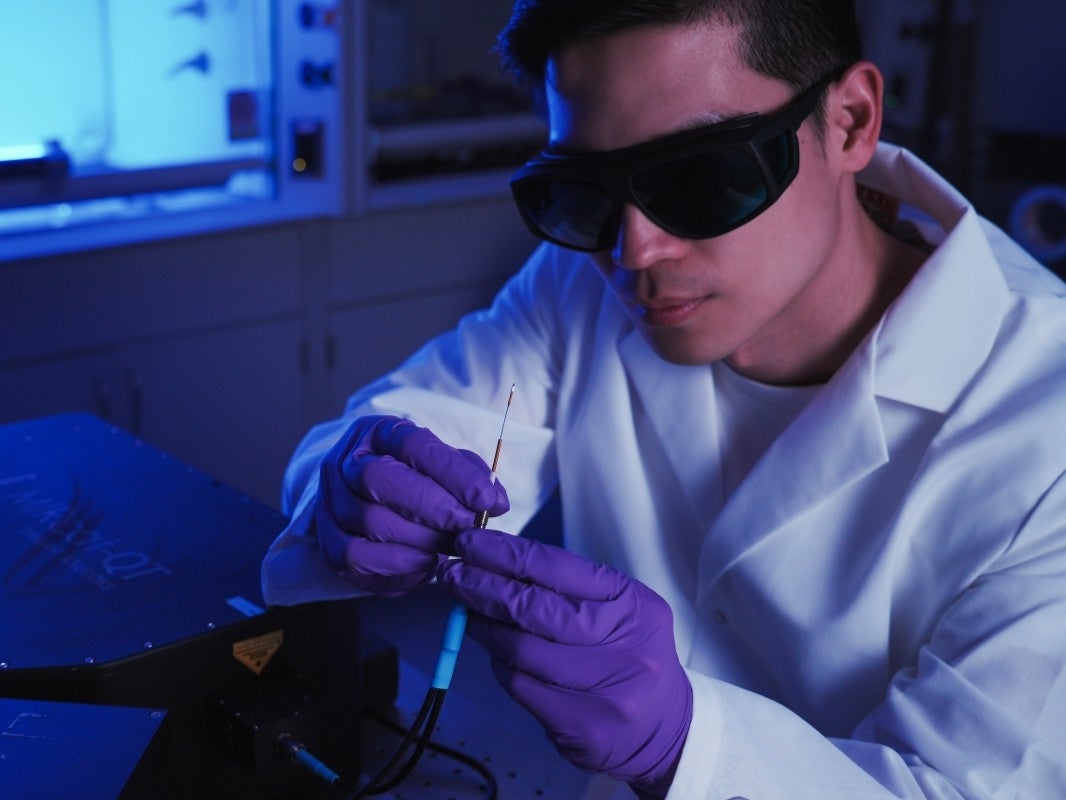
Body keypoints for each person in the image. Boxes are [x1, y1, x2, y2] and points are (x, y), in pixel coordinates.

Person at [262, 1, 1066, 797]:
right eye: (582, 192)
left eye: (698, 176)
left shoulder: (1043, 423)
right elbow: (416, 419)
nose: (634, 248)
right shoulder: (579, 280)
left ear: (851, 120)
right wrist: (357, 477)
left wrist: (690, 749)